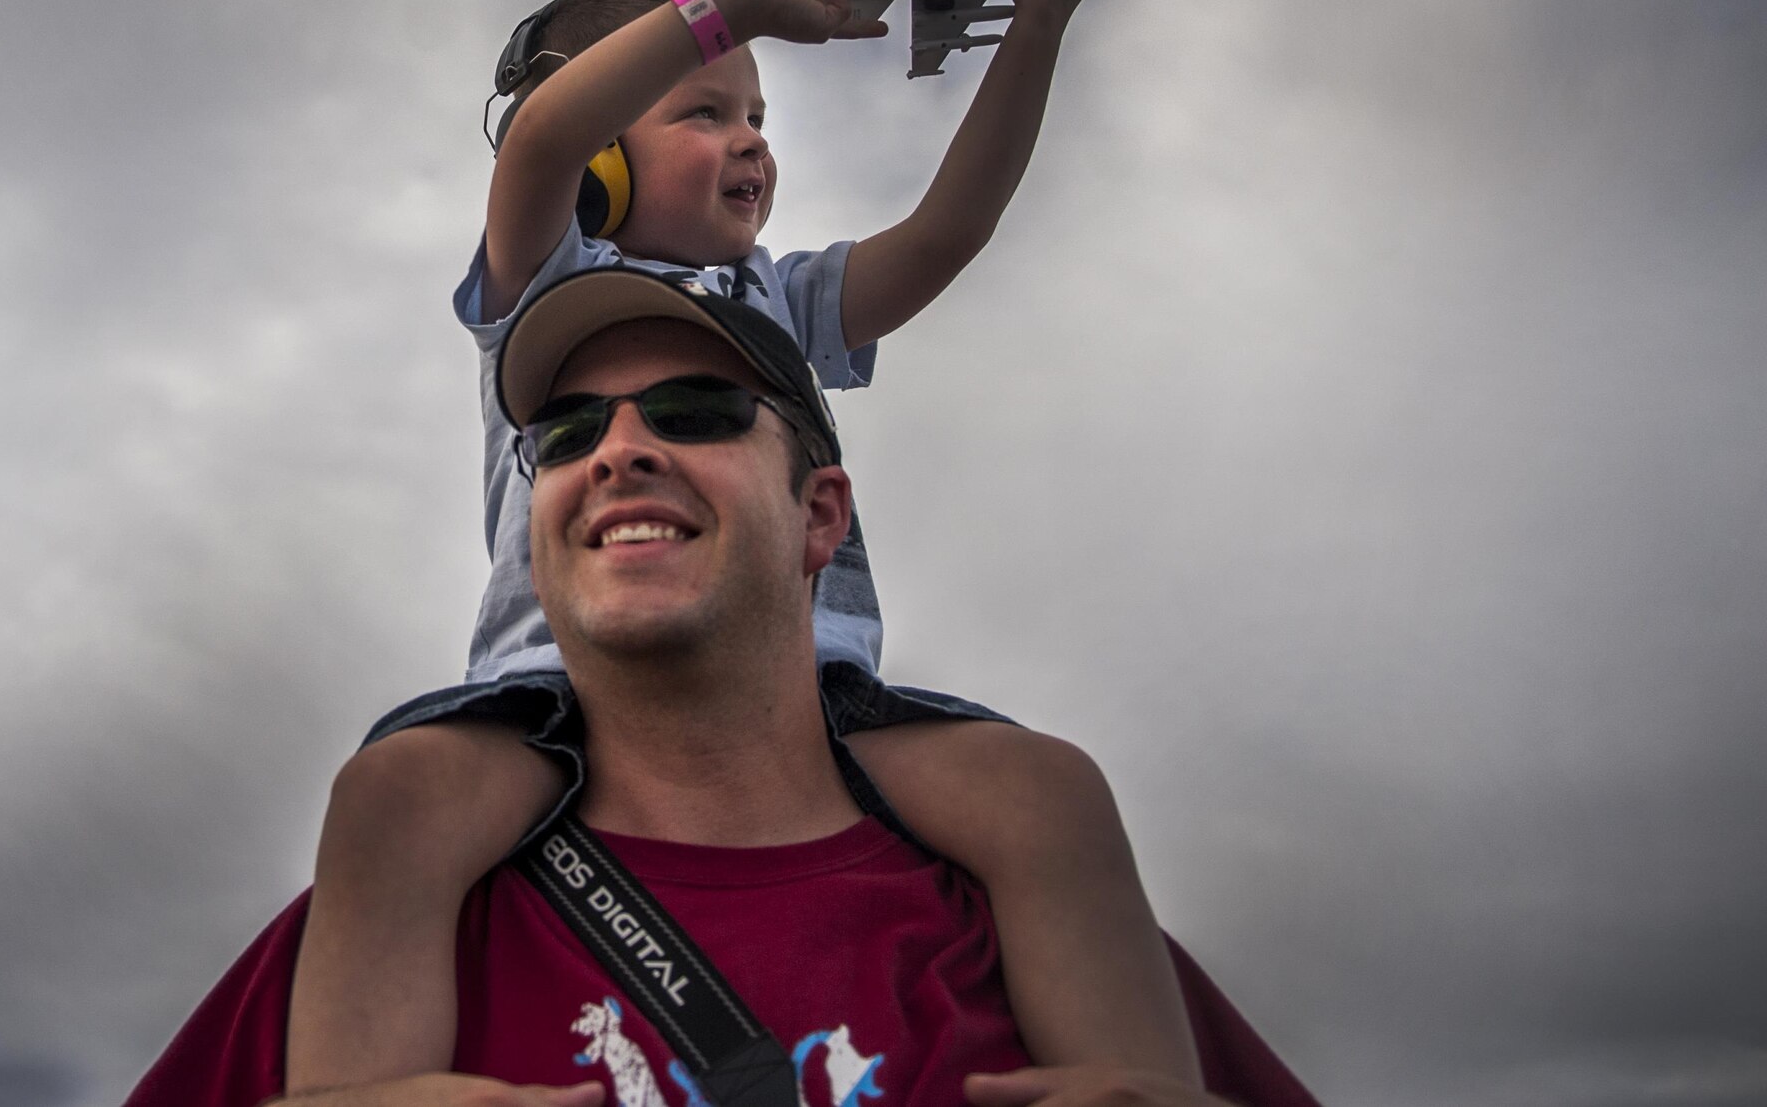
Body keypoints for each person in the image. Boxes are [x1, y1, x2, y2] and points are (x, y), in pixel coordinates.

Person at [288, 0, 1213, 1097]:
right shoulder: (544, 284)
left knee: (1042, 791)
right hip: (556, 698)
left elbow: (947, 232)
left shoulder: (780, 296)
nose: (745, 145)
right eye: (702, 113)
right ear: (601, 168)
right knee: (398, 794)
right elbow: (540, 140)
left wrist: (1036, 26)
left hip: (805, 693)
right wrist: (727, 6)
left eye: (758, 121)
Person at [126, 273, 1319, 1107]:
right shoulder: (395, 900)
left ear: (819, 516)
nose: (618, 449)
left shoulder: (1021, 901)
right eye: (563, 433)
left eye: (695, 412)